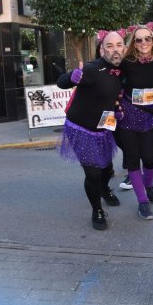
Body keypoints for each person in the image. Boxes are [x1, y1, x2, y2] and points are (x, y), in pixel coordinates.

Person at [57, 31, 125, 230]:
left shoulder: (122, 70)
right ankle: (96, 210)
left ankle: (104, 190)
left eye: (119, 45)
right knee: (93, 173)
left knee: (107, 169)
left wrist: (116, 112)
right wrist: (72, 76)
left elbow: (112, 97)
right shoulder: (93, 69)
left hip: (103, 128)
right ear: (102, 49)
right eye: (109, 46)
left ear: (124, 47)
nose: (115, 49)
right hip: (80, 128)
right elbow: (62, 82)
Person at [117, 24, 153, 220]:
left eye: (147, 38)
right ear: (133, 43)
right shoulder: (126, 62)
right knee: (133, 159)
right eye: (139, 39)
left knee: (150, 159)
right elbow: (112, 81)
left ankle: (149, 183)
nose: (143, 42)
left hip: (150, 116)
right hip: (128, 115)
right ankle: (142, 201)